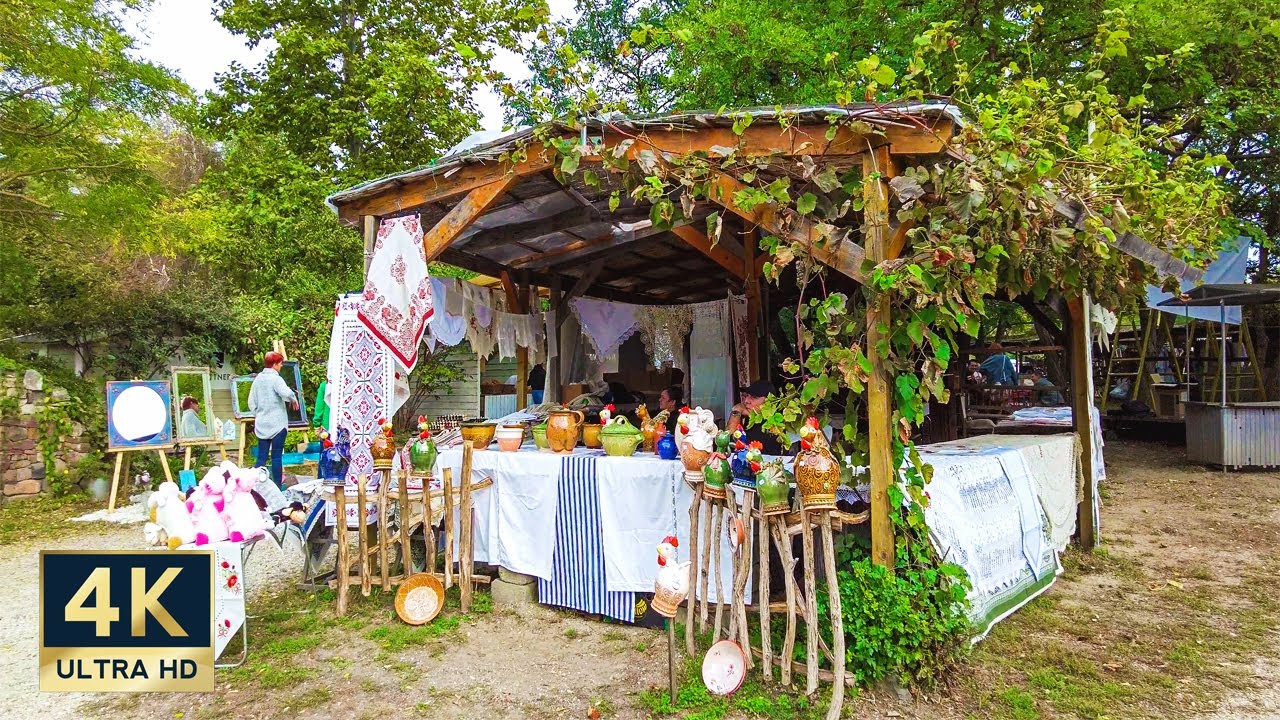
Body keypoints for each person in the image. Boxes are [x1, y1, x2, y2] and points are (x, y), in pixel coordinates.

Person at [248, 351, 298, 488]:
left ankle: (255, 486)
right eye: (281, 364)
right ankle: (276, 487)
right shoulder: (276, 379)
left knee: (261, 457)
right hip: (277, 424)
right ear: (275, 364)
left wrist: (258, 414)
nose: (281, 366)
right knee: (276, 457)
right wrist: (293, 398)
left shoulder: (258, 379)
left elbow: (251, 402)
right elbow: (285, 392)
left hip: (262, 424)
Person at [726, 379, 785, 455]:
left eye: (754, 397)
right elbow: (727, 442)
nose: (746, 401)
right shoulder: (748, 419)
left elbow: (749, 451)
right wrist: (736, 413)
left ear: (769, 401)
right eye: (746, 396)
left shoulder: (773, 425)